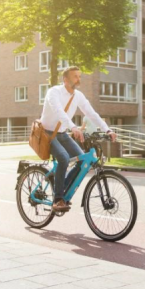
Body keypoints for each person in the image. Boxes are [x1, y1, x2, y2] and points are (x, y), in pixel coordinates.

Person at [39, 66, 117, 213]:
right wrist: (73, 127)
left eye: (79, 76)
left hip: (61, 133)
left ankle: (61, 189)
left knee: (82, 161)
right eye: (75, 77)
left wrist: (107, 129)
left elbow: (91, 113)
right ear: (65, 80)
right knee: (63, 158)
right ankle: (58, 199)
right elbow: (58, 111)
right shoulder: (53, 92)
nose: (78, 79)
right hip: (47, 133)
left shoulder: (78, 95)